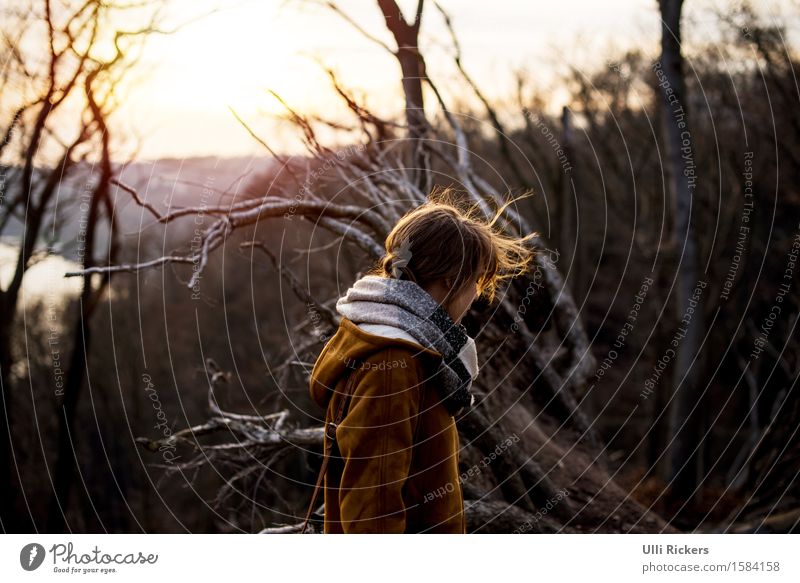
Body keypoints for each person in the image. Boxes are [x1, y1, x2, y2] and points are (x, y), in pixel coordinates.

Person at [307, 189, 535, 533]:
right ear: (450, 280)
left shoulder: (403, 344)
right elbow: (373, 507)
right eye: (475, 280)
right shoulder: (393, 362)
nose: (476, 294)